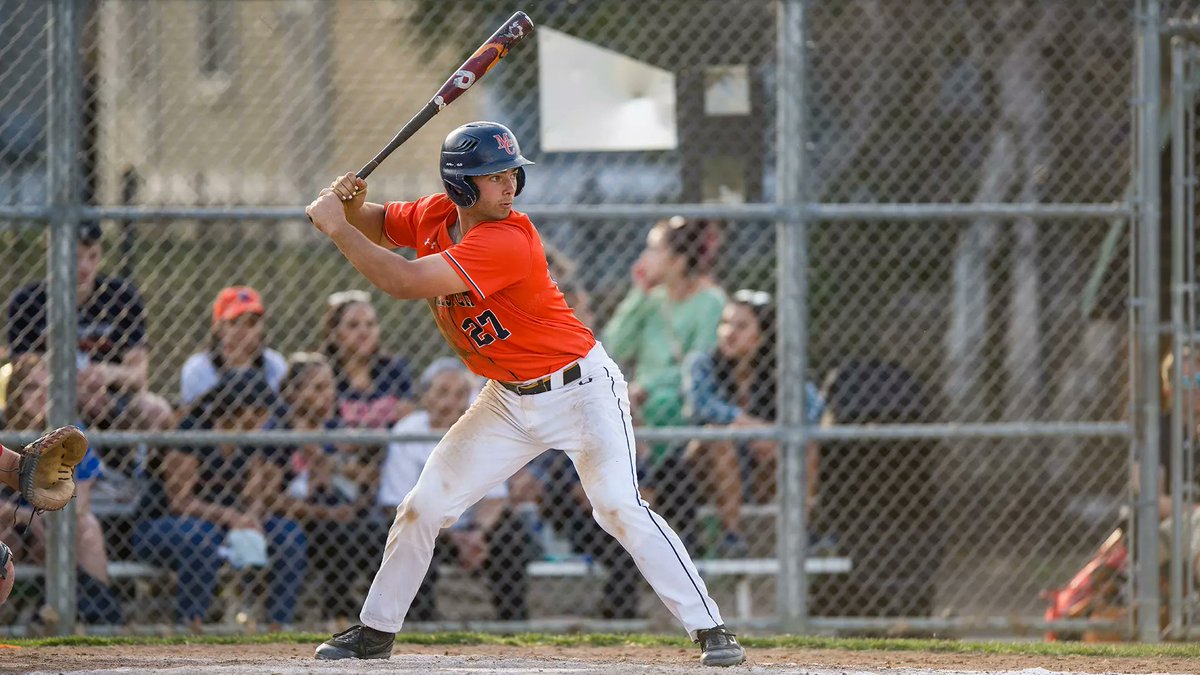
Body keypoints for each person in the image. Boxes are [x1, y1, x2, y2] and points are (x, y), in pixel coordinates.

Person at [304, 121, 744, 666]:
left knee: (616, 506)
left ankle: (711, 629)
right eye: (493, 176)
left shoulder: (508, 237)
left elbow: (402, 281)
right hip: (506, 400)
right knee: (424, 506)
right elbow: (375, 224)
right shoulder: (433, 216)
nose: (509, 184)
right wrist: (349, 207)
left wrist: (336, 228)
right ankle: (375, 630)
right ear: (461, 186)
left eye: (512, 172)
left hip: (580, 391)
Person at [133, 369, 307, 632]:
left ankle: (278, 623)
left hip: (224, 524)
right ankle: (190, 622)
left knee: (288, 534)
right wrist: (232, 518)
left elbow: (256, 495)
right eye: (258, 413)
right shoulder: (193, 431)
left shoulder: (250, 439)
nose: (265, 420)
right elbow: (180, 501)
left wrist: (252, 516)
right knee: (202, 536)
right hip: (163, 524)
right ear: (237, 410)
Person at [599, 216, 726, 547]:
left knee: (663, 409)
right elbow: (616, 343)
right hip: (644, 402)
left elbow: (702, 361)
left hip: (682, 402)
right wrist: (639, 293)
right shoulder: (651, 301)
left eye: (654, 249)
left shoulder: (710, 302)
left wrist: (650, 386)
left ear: (678, 260)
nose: (646, 257)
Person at [378, 357, 534, 621]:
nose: (451, 402)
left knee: (513, 534)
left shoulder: (482, 429)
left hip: (473, 529)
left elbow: (495, 499)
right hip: (426, 526)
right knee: (408, 537)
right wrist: (451, 536)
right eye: (442, 393)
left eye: (461, 394)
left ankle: (512, 621)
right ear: (425, 397)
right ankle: (421, 622)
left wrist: (478, 533)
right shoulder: (408, 431)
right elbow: (396, 502)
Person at [682, 289, 824, 556]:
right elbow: (702, 406)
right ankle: (731, 537)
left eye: (741, 326)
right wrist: (745, 425)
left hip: (758, 469)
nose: (728, 333)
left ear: (762, 335)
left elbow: (815, 407)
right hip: (707, 474)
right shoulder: (703, 363)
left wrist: (775, 436)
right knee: (718, 436)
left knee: (806, 444)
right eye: (725, 323)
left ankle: (802, 532)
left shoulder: (778, 371)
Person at [5, 221, 172, 432]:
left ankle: (134, 465)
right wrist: (73, 389)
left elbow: (139, 374)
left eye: (92, 256)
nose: (85, 267)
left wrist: (107, 373)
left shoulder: (121, 297)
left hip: (109, 396)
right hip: (48, 396)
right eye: (75, 257)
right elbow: (23, 374)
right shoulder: (28, 301)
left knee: (156, 411)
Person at [0, 353, 123, 623]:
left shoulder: (68, 432)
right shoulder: (2, 426)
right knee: (11, 536)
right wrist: (23, 516)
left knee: (87, 527)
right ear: (15, 391)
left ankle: (98, 622)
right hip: (9, 521)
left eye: (48, 388)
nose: (41, 396)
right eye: (32, 388)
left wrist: (55, 519)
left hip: (52, 520)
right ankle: (95, 610)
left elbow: (81, 498)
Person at [272, 351, 378, 625]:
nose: (329, 395)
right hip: (296, 516)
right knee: (340, 532)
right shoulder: (279, 432)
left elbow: (361, 477)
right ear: (293, 394)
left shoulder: (334, 429)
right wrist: (324, 511)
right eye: (318, 388)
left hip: (332, 510)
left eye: (331, 386)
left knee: (377, 529)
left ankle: (383, 615)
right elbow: (270, 499)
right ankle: (337, 614)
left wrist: (339, 470)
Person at [320, 290, 415, 429]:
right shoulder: (322, 374)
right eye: (353, 325)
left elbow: (408, 418)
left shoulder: (393, 369)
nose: (364, 332)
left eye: (370, 324)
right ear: (334, 332)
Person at [180, 286, 288, 407]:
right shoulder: (199, 368)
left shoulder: (274, 364)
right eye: (235, 322)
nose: (244, 331)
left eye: (252, 323)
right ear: (218, 329)